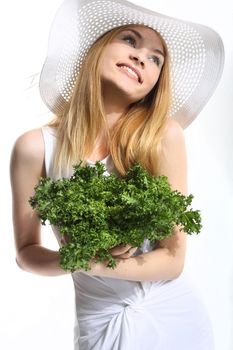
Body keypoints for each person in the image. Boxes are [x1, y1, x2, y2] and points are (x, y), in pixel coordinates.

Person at [10, 0, 224, 349]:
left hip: (175, 318)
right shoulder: (35, 148)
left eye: (156, 58)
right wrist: (73, 261)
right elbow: (26, 252)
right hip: (98, 322)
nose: (142, 58)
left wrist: (97, 265)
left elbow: (173, 258)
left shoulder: (162, 138)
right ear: (96, 49)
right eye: (130, 40)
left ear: (155, 82)